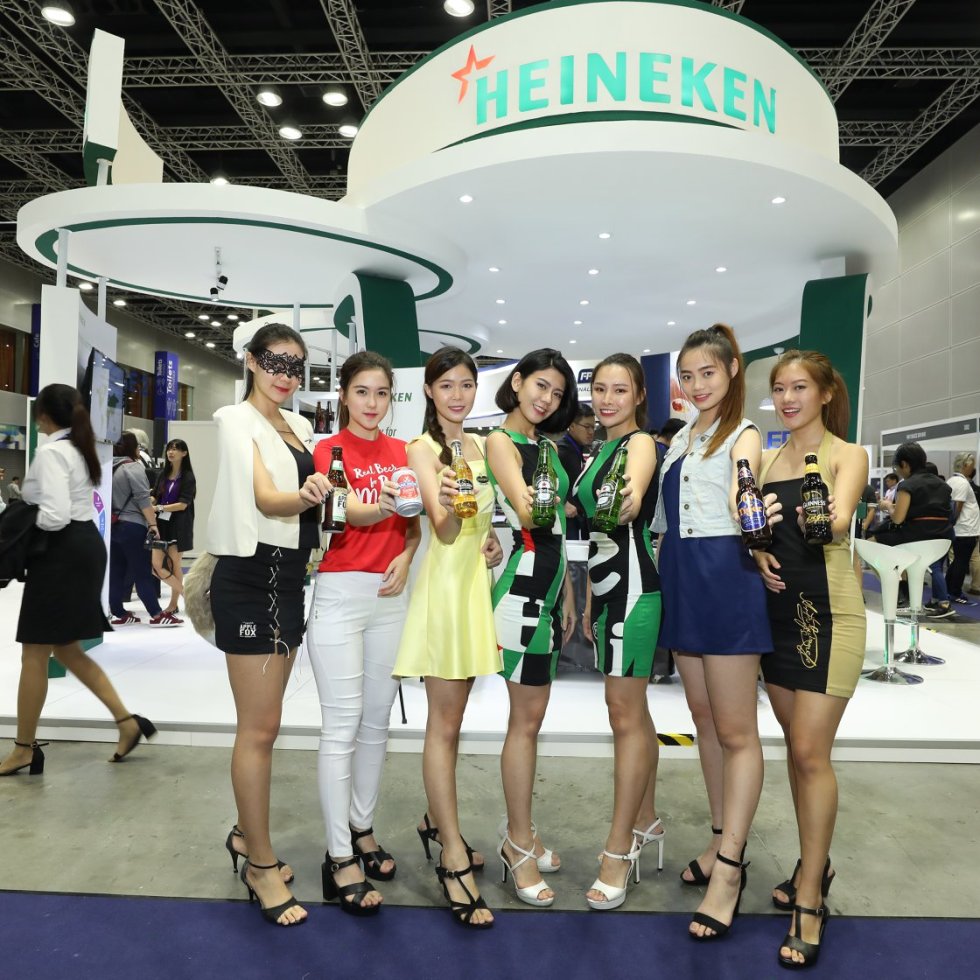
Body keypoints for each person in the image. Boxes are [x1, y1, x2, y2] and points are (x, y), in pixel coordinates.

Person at [207, 322, 333, 928]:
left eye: (296, 366)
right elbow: (264, 497)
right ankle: (259, 864)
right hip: (249, 577)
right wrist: (308, 496)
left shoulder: (301, 427)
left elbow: (308, 504)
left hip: (290, 578)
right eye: (276, 362)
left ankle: (243, 833)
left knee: (270, 724)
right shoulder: (235, 420)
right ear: (252, 362)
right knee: (257, 730)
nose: (286, 376)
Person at [651, 323, 772, 940]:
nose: (697, 385)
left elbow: (742, 490)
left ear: (731, 371)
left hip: (724, 575)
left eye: (708, 373)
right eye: (688, 375)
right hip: (682, 574)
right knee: (702, 718)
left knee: (736, 730)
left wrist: (755, 519)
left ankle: (730, 869)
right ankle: (721, 836)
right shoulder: (681, 437)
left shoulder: (742, 433)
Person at [753, 350, 868, 968]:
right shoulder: (765, 461)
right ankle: (812, 866)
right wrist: (757, 553)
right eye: (779, 389)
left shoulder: (848, 455)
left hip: (830, 615)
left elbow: (837, 520)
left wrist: (819, 516)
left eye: (800, 387)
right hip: (775, 618)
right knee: (797, 753)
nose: (788, 398)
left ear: (825, 393)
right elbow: (753, 532)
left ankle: (809, 901)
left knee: (808, 752)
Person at [307, 351, 421, 916]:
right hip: (339, 596)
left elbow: (414, 524)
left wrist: (408, 552)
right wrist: (387, 507)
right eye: (361, 392)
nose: (372, 403)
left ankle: (362, 828)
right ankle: (337, 857)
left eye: (381, 393)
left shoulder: (404, 452)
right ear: (344, 395)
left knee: (376, 723)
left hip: (389, 598)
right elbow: (346, 511)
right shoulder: (327, 449)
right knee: (342, 726)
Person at [393, 346, 503, 929]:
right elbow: (441, 528)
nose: (458, 395)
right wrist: (458, 497)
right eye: (447, 385)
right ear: (430, 392)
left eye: (466, 385)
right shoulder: (421, 449)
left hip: (473, 589)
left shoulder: (480, 445)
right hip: (442, 591)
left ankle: (436, 822)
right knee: (444, 724)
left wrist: (492, 539)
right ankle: (452, 856)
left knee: (454, 723)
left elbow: (482, 524)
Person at [0, 384, 156, 777]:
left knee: (35, 652)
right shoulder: (79, 449)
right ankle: (127, 723)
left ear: (43, 415)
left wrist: (20, 522)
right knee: (67, 650)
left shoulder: (53, 452)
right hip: (82, 547)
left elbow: (55, 516)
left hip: (61, 552)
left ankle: (23, 749)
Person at [485, 348, 578, 910]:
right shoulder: (501, 441)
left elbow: (556, 525)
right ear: (517, 382)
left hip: (547, 587)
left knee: (532, 720)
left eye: (557, 392)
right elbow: (530, 515)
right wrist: (566, 503)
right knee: (525, 722)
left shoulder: (545, 446)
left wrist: (567, 592)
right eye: (540, 385)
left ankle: (525, 830)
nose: (547, 398)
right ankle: (517, 844)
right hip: (520, 590)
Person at [571, 353, 664, 910]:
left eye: (620, 390)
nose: (607, 400)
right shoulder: (598, 450)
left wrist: (622, 501)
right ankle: (647, 820)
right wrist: (586, 596)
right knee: (634, 713)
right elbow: (591, 535)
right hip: (607, 590)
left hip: (634, 591)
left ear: (639, 396)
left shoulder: (639, 444)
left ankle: (618, 847)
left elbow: (626, 504)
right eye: (600, 389)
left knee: (623, 714)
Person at [873, 443, 954, 619]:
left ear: (905, 464)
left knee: (871, 541)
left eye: (897, 467)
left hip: (915, 537)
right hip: (941, 538)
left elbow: (898, 518)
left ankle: (898, 587)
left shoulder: (907, 485)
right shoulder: (943, 485)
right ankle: (906, 590)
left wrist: (888, 506)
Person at [108, 433, 175, 626]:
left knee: (116, 572)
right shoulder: (132, 467)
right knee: (142, 572)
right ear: (132, 447)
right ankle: (157, 614)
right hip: (133, 526)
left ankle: (119, 613)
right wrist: (153, 524)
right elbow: (143, 499)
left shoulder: (106, 467)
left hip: (112, 526)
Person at [150, 439, 196, 619]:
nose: (171, 452)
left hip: (179, 525)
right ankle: (188, 596)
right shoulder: (163, 474)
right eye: (169, 448)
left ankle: (173, 604)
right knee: (156, 566)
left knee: (175, 564)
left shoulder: (188, 477)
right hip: (161, 524)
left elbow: (183, 504)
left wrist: (159, 507)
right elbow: (155, 495)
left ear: (184, 453)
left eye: (175, 449)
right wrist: (149, 501)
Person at [556, 406, 597, 540]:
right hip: (567, 518)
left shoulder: (577, 449)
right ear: (572, 426)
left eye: (593, 427)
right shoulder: (562, 450)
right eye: (587, 427)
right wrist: (564, 503)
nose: (591, 432)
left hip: (579, 516)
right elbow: (546, 481)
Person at [946, 452, 979, 604]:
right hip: (965, 529)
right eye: (972, 466)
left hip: (961, 529)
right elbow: (957, 507)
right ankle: (955, 592)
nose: (973, 469)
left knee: (957, 561)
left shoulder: (952, 480)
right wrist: (951, 524)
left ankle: (949, 589)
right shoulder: (962, 483)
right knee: (961, 561)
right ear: (966, 465)